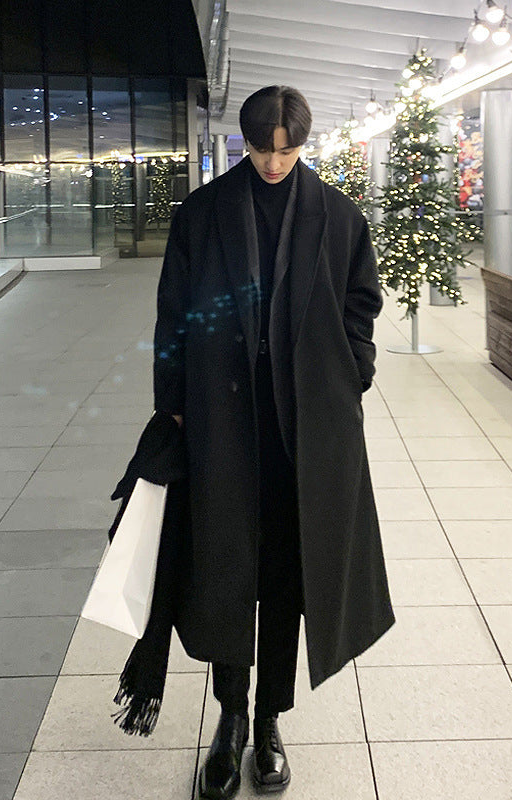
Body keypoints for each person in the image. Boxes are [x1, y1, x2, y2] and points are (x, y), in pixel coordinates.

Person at [153, 85, 394, 799]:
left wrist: (354, 372)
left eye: (287, 151)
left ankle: (268, 722)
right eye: (263, 148)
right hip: (223, 419)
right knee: (228, 566)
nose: (274, 163)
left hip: (306, 427)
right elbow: (172, 313)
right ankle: (229, 719)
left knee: (289, 573)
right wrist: (172, 403)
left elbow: (361, 301)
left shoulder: (338, 216)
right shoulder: (202, 213)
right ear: (246, 141)